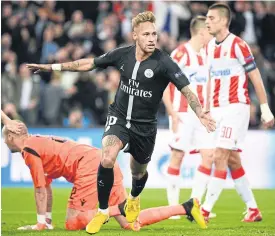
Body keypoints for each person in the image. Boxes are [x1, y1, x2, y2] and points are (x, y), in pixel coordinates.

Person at [26, 11, 215, 234]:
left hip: (144, 126)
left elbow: (186, 90)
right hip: (119, 117)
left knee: (138, 172)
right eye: (146, 34)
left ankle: (134, 198)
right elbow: (89, 64)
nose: (152, 38)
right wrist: (53, 67)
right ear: (135, 35)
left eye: (154, 34)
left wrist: (200, 112)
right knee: (106, 157)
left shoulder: (165, 63)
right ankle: (103, 211)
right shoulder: (122, 55)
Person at [2, 119, 207, 231]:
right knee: (130, 224)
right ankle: (186, 207)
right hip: (102, 161)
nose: (4, 142)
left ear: (11, 136)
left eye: (5, 138)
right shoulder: (36, 143)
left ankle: (117, 208)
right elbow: (45, 187)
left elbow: (39, 189)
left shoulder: (28, 149)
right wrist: (45, 220)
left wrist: (39, 223)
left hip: (89, 167)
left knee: (73, 223)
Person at [201, 3, 274, 222]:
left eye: (211, 18)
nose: (207, 21)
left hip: (236, 107)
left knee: (220, 155)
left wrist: (264, 107)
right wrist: (206, 108)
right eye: (206, 18)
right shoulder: (208, 48)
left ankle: (204, 210)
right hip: (217, 109)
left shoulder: (238, 45)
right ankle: (253, 209)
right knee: (232, 160)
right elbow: (210, 79)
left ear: (224, 21)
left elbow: (255, 76)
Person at [162, 16, 215, 218]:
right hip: (182, 112)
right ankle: (174, 209)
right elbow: (164, 84)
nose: (212, 36)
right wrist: (171, 112)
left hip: (201, 115)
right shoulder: (180, 54)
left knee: (209, 156)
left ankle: (195, 206)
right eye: (210, 32)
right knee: (177, 156)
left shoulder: (208, 55)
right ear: (202, 32)